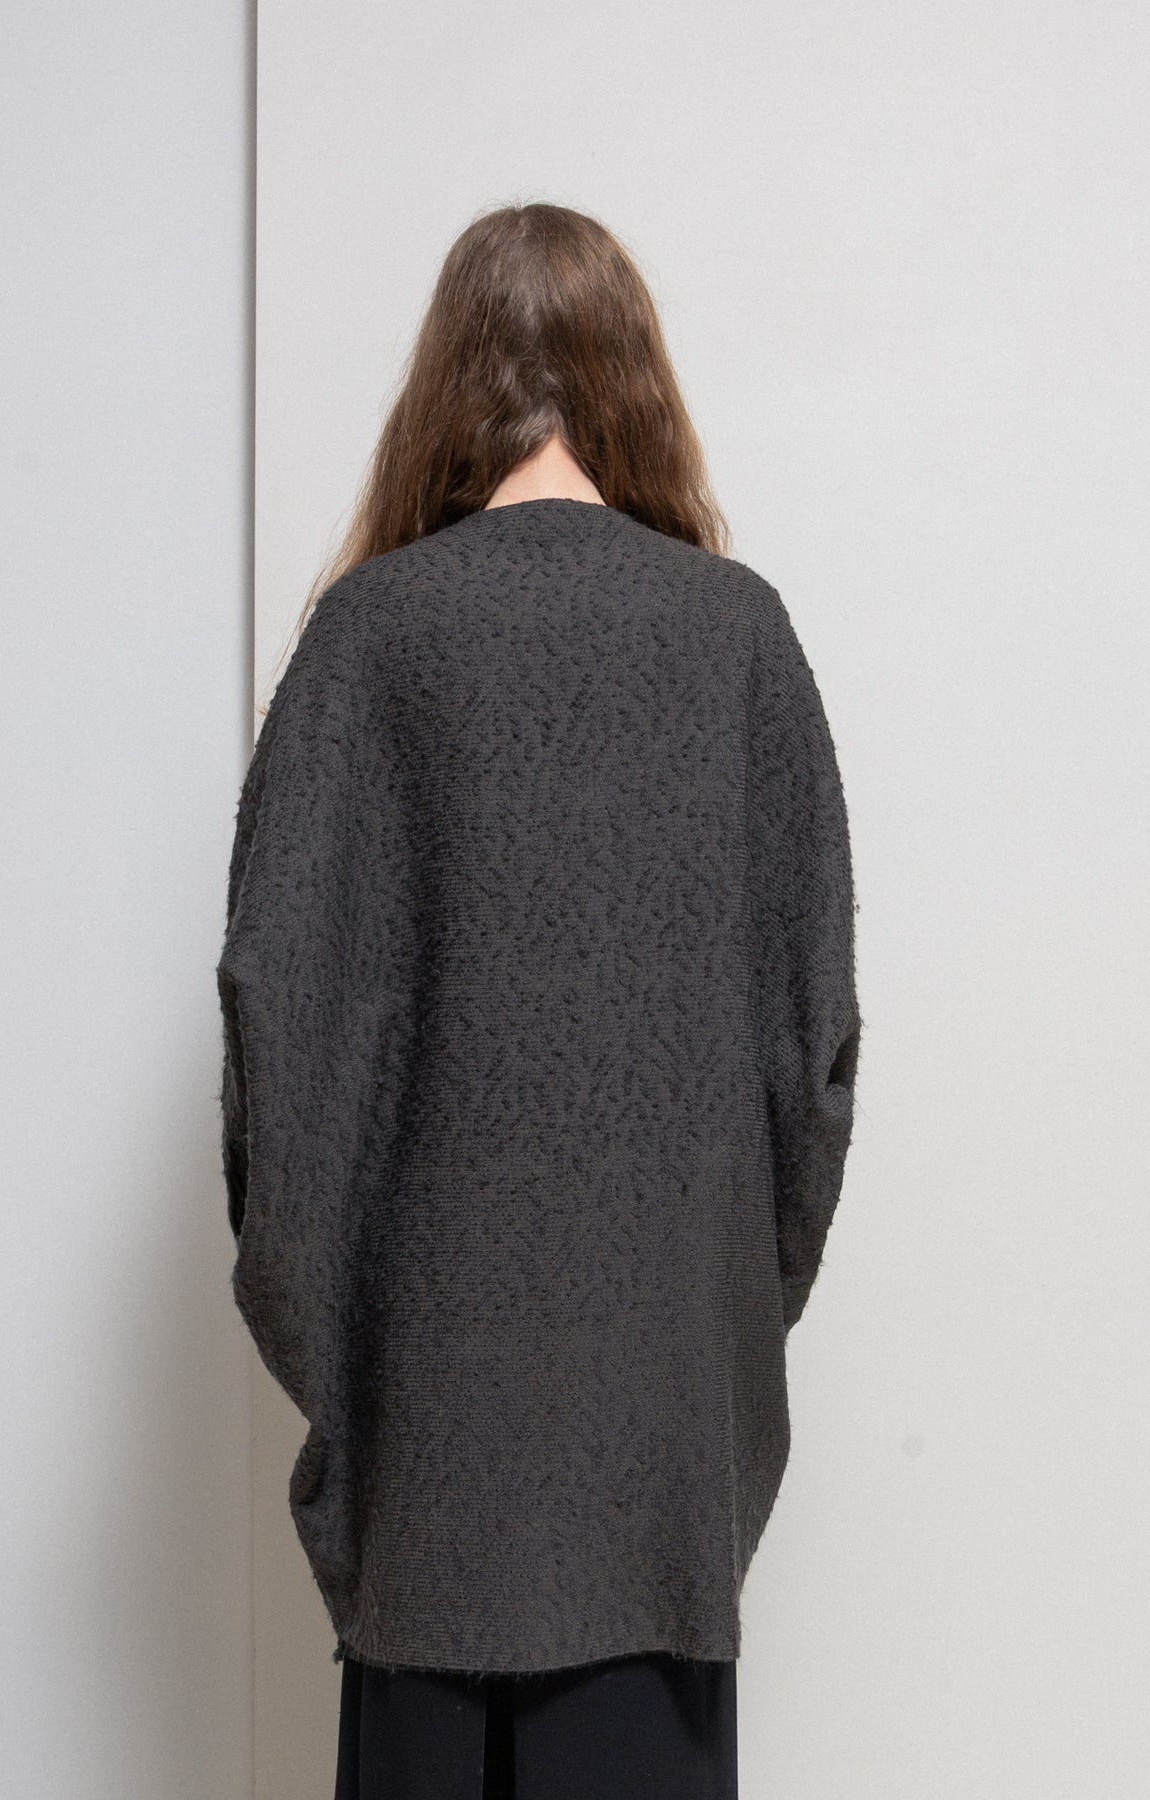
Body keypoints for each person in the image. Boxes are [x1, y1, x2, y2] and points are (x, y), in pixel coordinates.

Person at [216, 200, 863, 1800]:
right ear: (634, 378)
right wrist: (706, 1331)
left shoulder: (368, 638)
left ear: (445, 384)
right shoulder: (736, 636)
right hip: (658, 1458)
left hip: (432, 1461)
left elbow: (278, 1048)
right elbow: (813, 1061)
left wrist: (353, 1388)